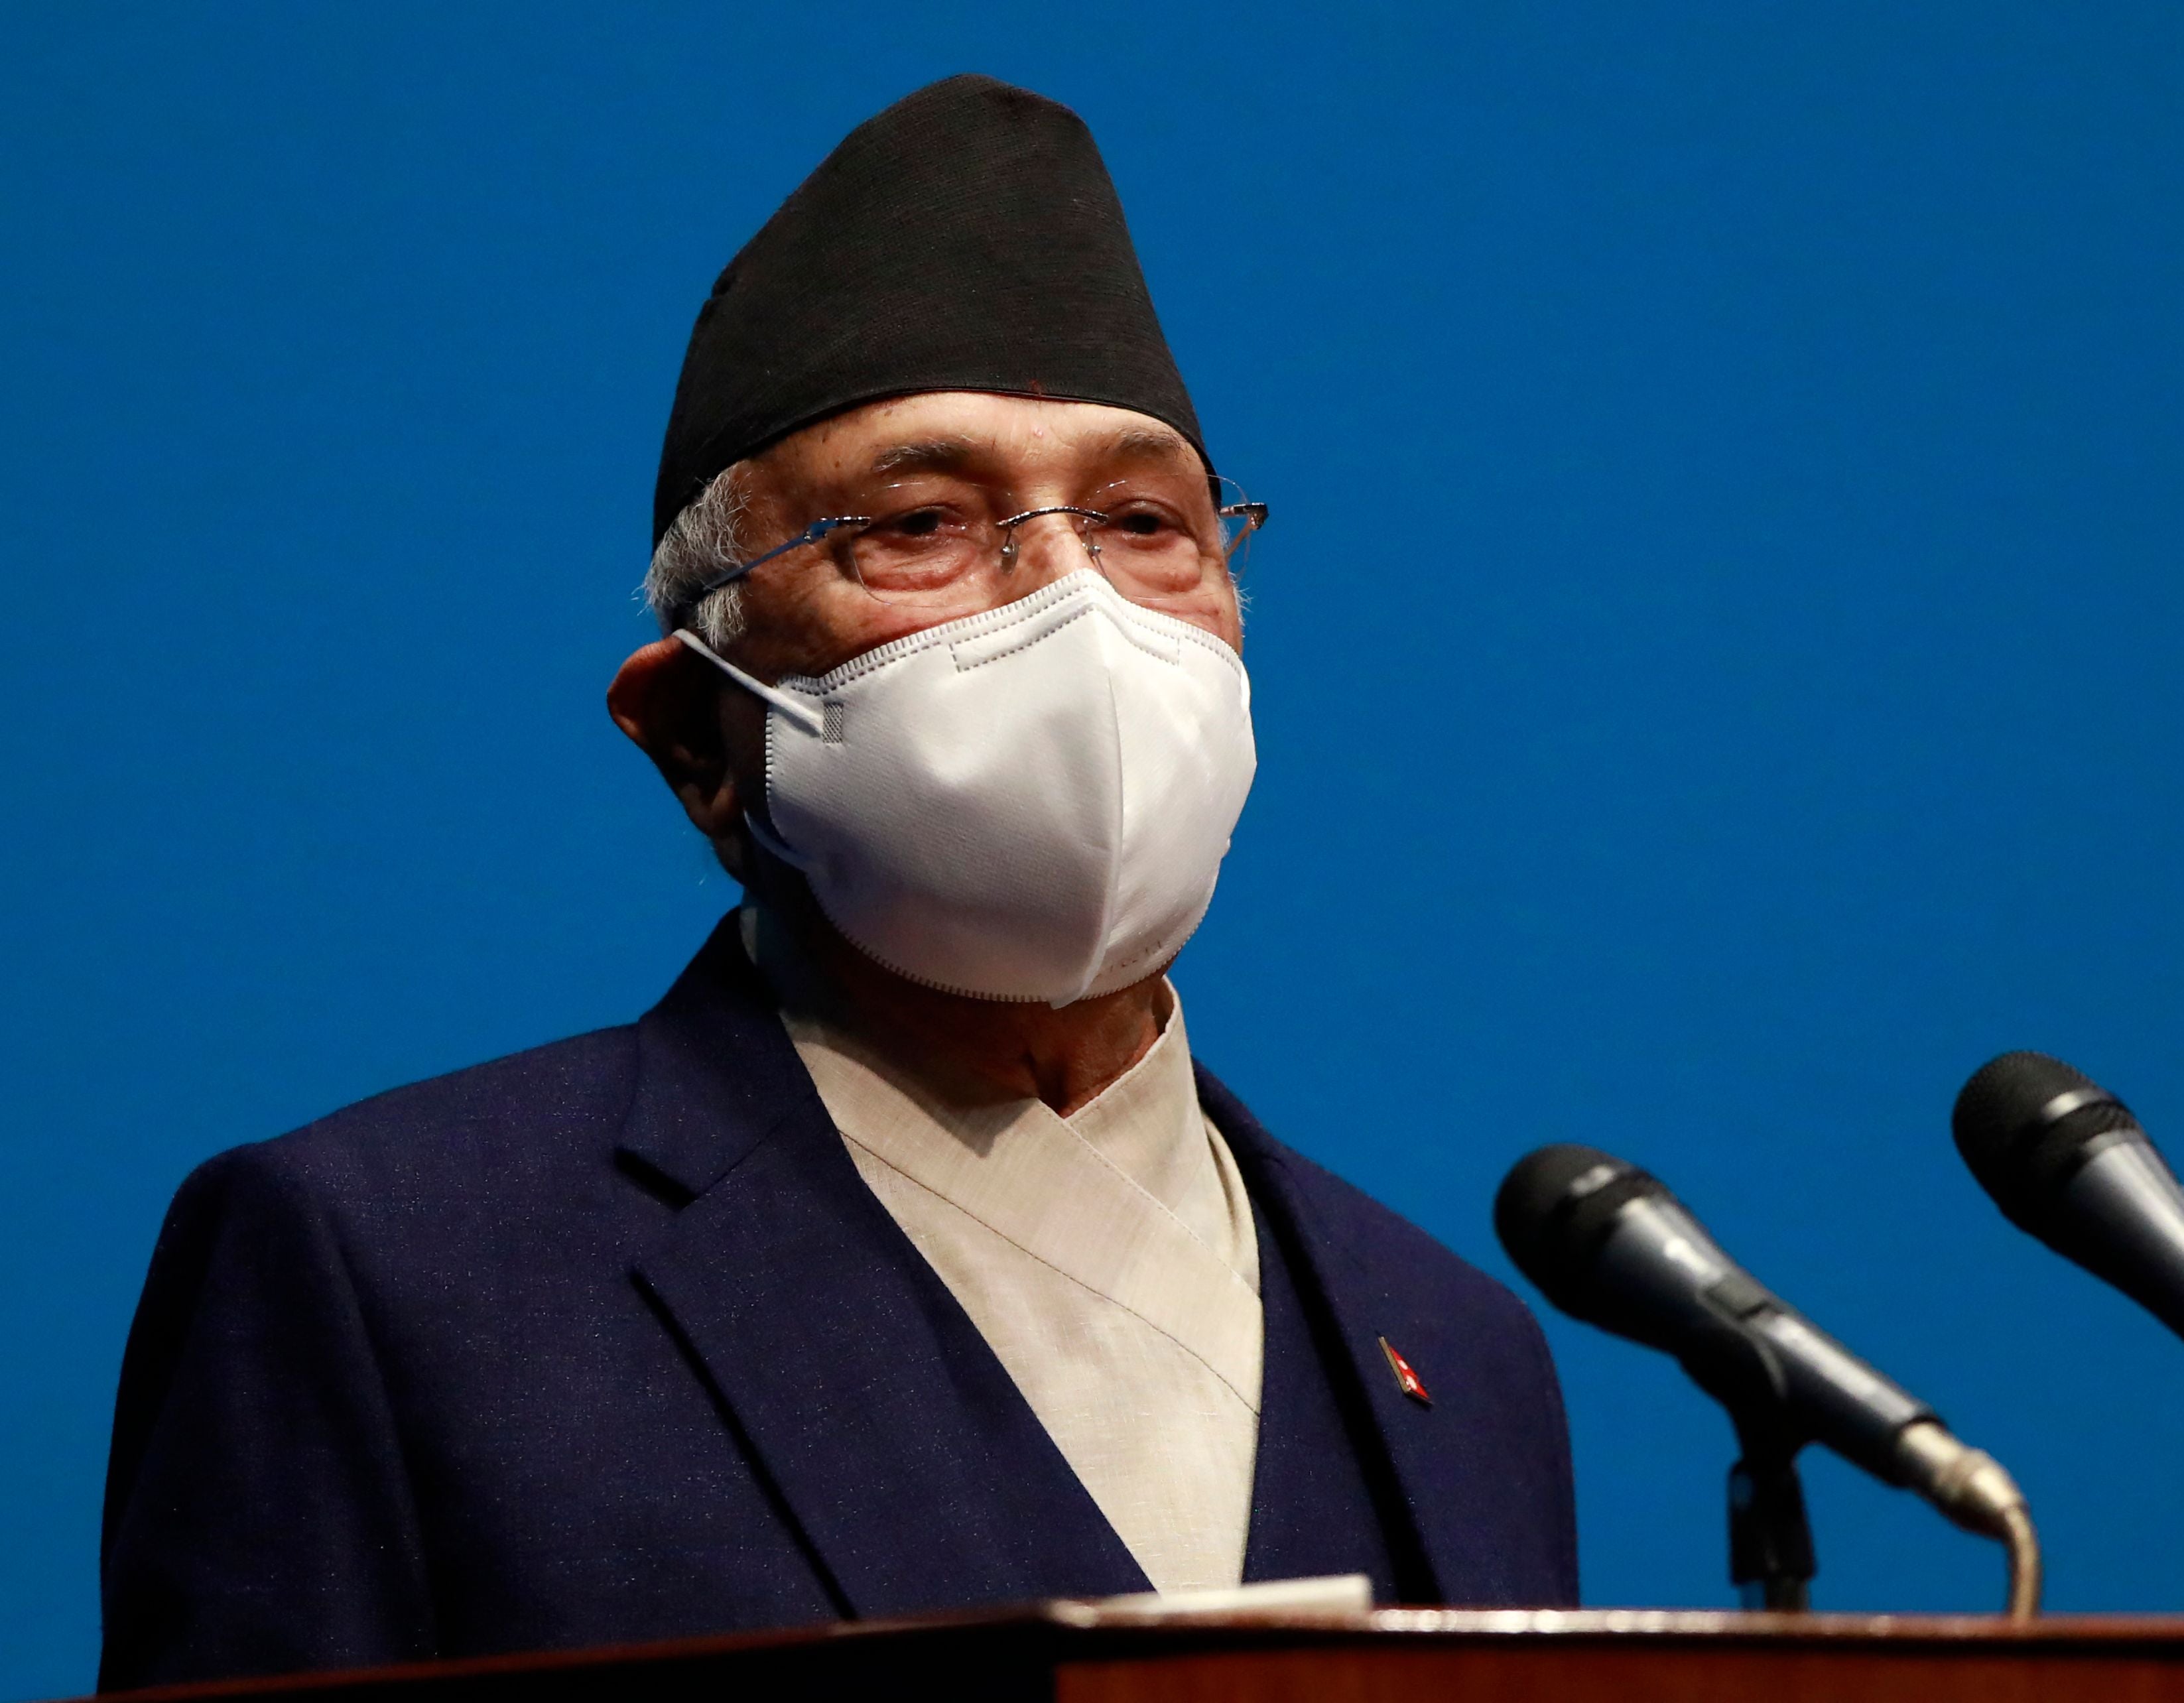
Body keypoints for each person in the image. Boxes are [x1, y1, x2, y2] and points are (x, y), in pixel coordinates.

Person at [97, 75, 1576, 1690]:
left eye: (1147, 520)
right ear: (695, 742)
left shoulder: (1459, 1350)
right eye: (922, 524)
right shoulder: (390, 1269)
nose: (1078, 615)